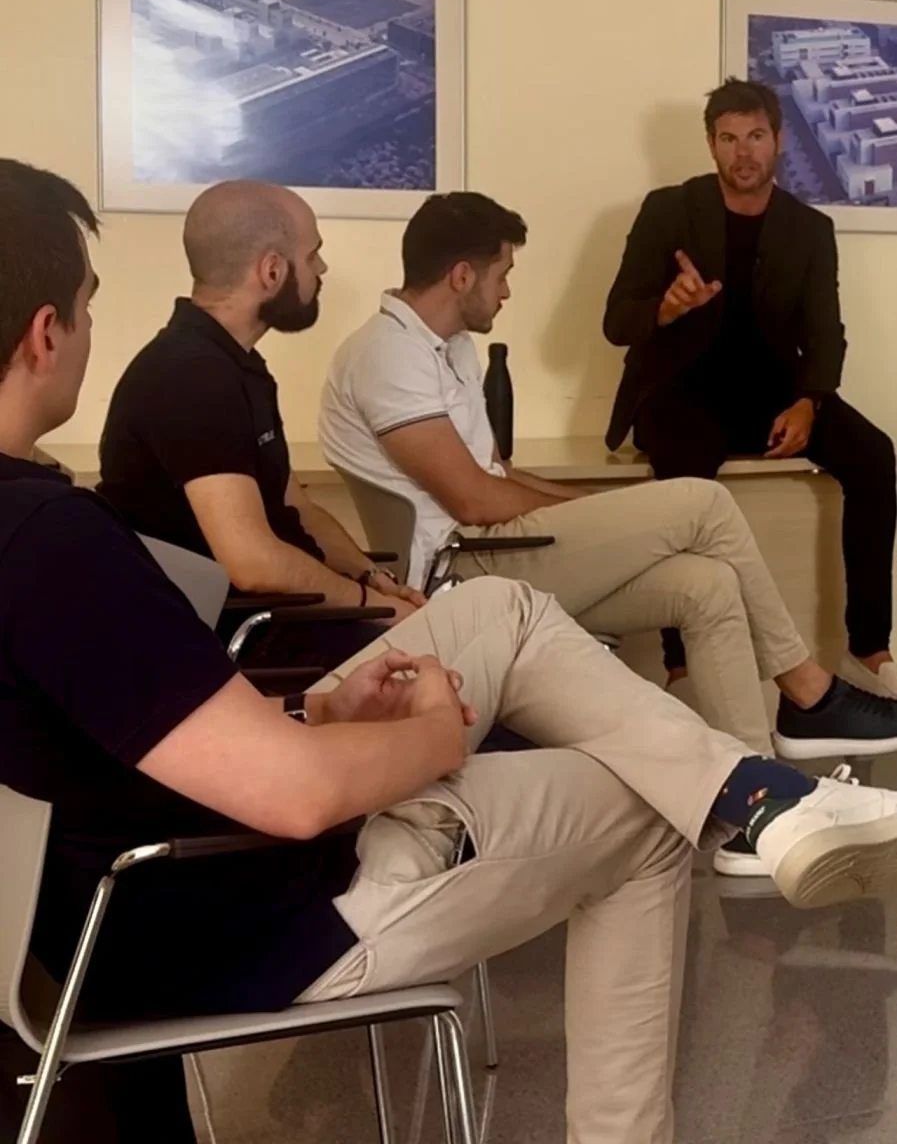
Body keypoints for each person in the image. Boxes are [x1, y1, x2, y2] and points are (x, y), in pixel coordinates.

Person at [7, 162, 897, 1144]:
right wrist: (432, 736)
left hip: (148, 876)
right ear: (47, 333)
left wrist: (323, 713)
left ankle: (760, 793)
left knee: (505, 610)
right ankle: (750, 791)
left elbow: (130, 716)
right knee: (652, 807)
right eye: (88, 303)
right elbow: (295, 789)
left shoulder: (48, 520)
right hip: (229, 915)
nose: (94, 326)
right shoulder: (52, 537)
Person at [319, 189, 897, 872]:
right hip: (466, 572)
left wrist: (594, 511)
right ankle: (805, 692)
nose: (506, 292)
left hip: (502, 547)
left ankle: (756, 813)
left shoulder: (445, 348)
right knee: (701, 504)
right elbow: (473, 501)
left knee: (703, 584)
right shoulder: (388, 355)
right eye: (502, 274)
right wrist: (605, 517)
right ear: (462, 276)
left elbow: (497, 469)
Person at [603, 77, 897, 699]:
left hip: (775, 394)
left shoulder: (809, 228)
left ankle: (869, 650)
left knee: (877, 457)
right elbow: (615, 322)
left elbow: (826, 332)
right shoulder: (668, 209)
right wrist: (666, 308)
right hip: (681, 388)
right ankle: (680, 665)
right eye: (729, 138)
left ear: (779, 141)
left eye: (756, 136)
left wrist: (809, 401)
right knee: (682, 480)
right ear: (711, 145)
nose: (744, 152)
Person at [98, 181, 425, 629]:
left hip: (300, 620)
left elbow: (299, 510)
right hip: (262, 641)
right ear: (272, 271)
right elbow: (252, 563)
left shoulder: (235, 365)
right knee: (510, 623)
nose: (322, 267)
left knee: (503, 617)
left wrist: (371, 577)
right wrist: (373, 606)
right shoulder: (192, 377)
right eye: (312, 256)